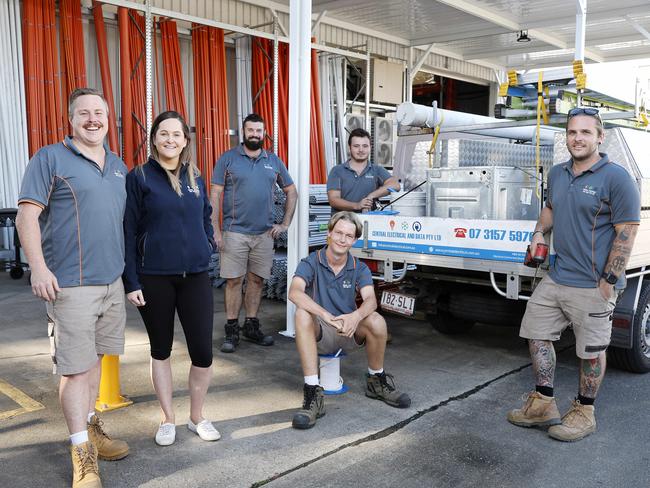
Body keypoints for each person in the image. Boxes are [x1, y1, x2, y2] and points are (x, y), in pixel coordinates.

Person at [16, 88, 129, 488]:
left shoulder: (118, 165)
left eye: (100, 112)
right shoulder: (50, 158)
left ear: (108, 118)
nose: (93, 119)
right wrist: (38, 268)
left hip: (111, 283)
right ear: (71, 119)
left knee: (96, 361)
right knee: (75, 369)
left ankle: (91, 427)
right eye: (85, 113)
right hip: (71, 286)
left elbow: (122, 225)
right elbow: (27, 215)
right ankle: (81, 451)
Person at [507, 107, 640, 442]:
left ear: (600, 136)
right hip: (557, 275)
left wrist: (608, 283)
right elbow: (551, 208)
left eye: (585, 132)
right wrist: (539, 233)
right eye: (571, 132)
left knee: (591, 351)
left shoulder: (616, 177)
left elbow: (626, 232)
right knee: (536, 333)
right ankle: (542, 403)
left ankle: (584, 410)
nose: (577, 138)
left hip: (593, 284)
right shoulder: (558, 173)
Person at [123, 111, 220, 447]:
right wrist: (131, 281)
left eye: (176, 134)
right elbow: (129, 229)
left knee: (203, 353)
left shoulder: (196, 177)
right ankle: (168, 419)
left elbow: (206, 215)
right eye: (163, 134)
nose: (169, 140)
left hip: (195, 276)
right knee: (160, 349)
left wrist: (207, 244)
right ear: (153, 139)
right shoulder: (139, 177)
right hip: (154, 277)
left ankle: (197, 416)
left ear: (185, 140)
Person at [288, 211, 411, 429]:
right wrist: (325, 314)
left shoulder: (359, 267)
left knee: (376, 320)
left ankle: (376, 382)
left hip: (348, 329)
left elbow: (371, 300)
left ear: (354, 240)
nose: (342, 239)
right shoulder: (311, 262)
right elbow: (295, 292)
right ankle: (312, 394)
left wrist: (355, 316)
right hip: (321, 331)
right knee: (301, 313)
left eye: (348, 236)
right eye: (338, 233)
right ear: (329, 233)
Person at [210, 113, 298, 353]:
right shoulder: (228, 159)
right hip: (234, 232)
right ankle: (231, 329)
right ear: (243, 132)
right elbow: (215, 195)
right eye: (251, 130)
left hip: (264, 235)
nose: (255, 135)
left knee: (257, 281)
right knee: (234, 281)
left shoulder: (274, 161)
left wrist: (285, 224)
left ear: (264, 133)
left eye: (259, 131)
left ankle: (251, 325)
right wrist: (215, 229)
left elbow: (291, 191)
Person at [327, 128, 400, 213]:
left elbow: (395, 185)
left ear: (370, 147)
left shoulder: (377, 170)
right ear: (349, 147)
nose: (361, 150)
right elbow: (333, 200)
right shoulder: (337, 171)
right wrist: (357, 205)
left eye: (365, 146)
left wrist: (371, 195)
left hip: (368, 222)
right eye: (356, 146)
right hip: (343, 222)